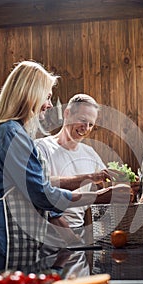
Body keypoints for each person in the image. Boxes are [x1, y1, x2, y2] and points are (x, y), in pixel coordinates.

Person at [0, 60, 130, 284]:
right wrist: (99, 196)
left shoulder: (15, 133)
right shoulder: (10, 134)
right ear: (30, 94)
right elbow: (41, 193)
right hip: (5, 238)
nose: (48, 104)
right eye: (47, 96)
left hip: (18, 239)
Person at [35, 94, 111, 232]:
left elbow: (106, 186)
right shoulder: (41, 148)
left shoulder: (90, 153)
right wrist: (90, 178)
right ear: (67, 113)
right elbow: (39, 185)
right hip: (44, 232)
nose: (86, 128)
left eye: (91, 124)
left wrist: (126, 185)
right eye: (82, 120)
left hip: (78, 232)